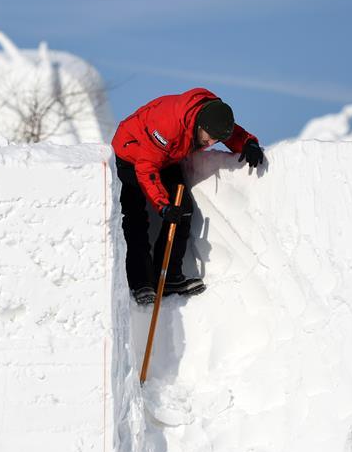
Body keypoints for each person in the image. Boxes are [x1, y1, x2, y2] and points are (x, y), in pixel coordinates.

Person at [111, 88, 264, 305]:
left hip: (165, 157)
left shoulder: (210, 117)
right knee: (136, 218)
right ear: (200, 126)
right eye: (210, 139)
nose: (211, 144)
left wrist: (248, 143)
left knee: (183, 208)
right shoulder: (168, 125)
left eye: (215, 141)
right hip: (132, 154)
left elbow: (232, 133)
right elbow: (146, 168)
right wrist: (163, 205)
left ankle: (169, 278)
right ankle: (141, 283)